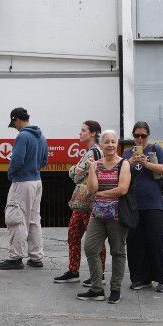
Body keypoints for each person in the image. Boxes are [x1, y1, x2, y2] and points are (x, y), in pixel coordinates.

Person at [77, 130, 132, 303]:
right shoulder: (96, 164)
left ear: (117, 144)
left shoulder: (123, 164)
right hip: (98, 214)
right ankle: (97, 289)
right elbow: (92, 189)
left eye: (113, 141)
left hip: (117, 215)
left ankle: (115, 289)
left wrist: (101, 194)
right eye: (106, 142)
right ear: (101, 145)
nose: (110, 145)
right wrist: (92, 169)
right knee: (90, 248)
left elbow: (122, 189)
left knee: (117, 251)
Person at [0, 107, 48, 270]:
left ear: (17, 120)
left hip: (22, 182)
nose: (15, 128)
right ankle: (36, 257)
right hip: (37, 181)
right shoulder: (41, 136)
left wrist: (11, 173)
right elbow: (44, 161)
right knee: (34, 219)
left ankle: (15, 257)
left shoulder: (23, 136)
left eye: (14, 124)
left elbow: (17, 160)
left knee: (16, 218)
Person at [125, 121, 163, 293]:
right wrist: (129, 162)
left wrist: (147, 164)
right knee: (134, 243)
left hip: (153, 204)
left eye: (143, 136)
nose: (140, 139)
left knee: (155, 242)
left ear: (148, 135)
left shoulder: (155, 149)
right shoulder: (127, 153)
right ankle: (140, 278)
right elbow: (119, 173)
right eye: (136, 136)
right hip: (132, 205)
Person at [54, 119, 103, 284]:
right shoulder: (90, 152)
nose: (80, 133)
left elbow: (77, 176)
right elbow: (76, 173)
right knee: (74, 234)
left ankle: (98, 274)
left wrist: (75, 171)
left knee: (93, 238)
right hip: (82, 201)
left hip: (89, 201)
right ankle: (74, 270)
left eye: (83, 130)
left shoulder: (94, 153)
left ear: (93, 133)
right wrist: (75, 170)